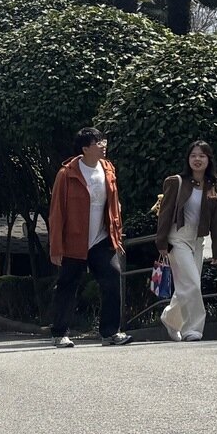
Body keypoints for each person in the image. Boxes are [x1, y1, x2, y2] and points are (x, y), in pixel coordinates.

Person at [48, 127, 133, 348]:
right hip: (74, 240)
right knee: (68, 284)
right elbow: (57, 212)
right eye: (98, 143)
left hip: (101, 239)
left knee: (112, 277)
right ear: (85, 149)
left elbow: (114, 205)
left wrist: (116, 235)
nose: (103, 146)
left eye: (103, 141)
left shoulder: (108, 169)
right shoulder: (67, 174)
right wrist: (56, 247)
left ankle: (110, 332)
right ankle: (59, 333)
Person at [154, 141, 217, 342]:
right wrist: (161, 242)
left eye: (202, 156)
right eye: (193, 155)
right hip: (177, 238)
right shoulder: (176, 182)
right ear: (188, 159)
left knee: (187, 285)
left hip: (197, 240)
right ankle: (192, 329)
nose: (197, 159)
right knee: (193, 284)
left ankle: (170, 318)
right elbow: (165, 213)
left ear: (208, 160)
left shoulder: (214, 187)